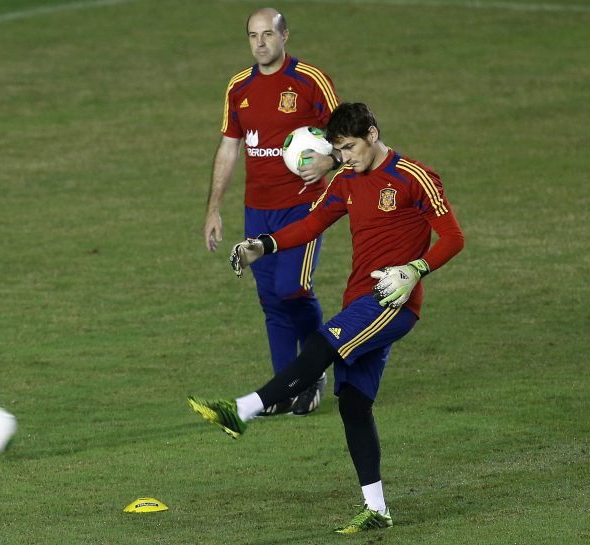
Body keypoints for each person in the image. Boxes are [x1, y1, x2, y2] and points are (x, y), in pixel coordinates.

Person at [189, 103, 465, 533]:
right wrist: (265, 244)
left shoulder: (415, 177)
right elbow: (312, 223)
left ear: (373, 135)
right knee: (354, 404)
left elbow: (453, 237)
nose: (346, 157)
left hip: (392, 301)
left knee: (321, 343)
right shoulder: (345, 182)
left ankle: (241, 411)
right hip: (359, 300)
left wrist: (414, 270)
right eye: (339, 149)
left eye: (351, 147)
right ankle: (377, 510)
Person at [203, 7, 341, 416]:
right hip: (256, 211)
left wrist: (330, 161)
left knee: (292, 290)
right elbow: (230, 147)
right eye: (252, 36)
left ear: (285, 37)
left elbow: (346, 133)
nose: (260, 43)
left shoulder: (311, 81)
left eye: (267, 34)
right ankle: (283, 389)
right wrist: (214, 209)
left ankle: (313, 371)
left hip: (302, 207)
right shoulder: (238, 87)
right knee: (270, 300)